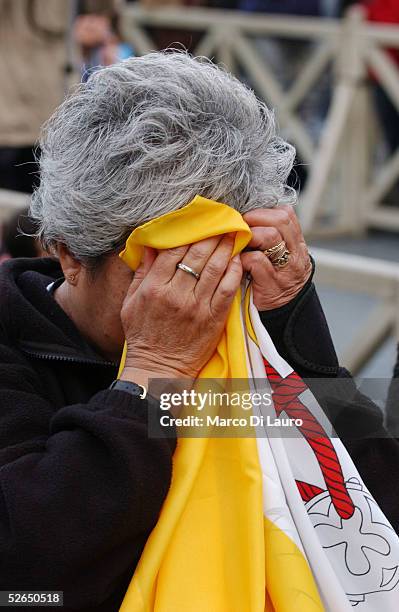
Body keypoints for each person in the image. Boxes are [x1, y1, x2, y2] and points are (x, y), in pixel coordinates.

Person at [0, 51, 398, 610]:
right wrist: (151, 376)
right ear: (68, 256)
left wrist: (291, 325)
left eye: (224, 254)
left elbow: (373, 520)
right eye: (163, 266)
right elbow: (26, 579)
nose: (198, 295)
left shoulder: (245, 327)